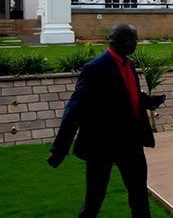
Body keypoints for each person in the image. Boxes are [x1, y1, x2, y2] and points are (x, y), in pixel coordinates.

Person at [47, 24, 166, 218]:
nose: (136, 44)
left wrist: (149, 101)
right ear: (124, 41)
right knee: (94, 198)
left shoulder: (128, 65)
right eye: (135, 40)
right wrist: (60, 148)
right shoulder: (95, 69)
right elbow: (75, 109)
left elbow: (129, 95)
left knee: (139, 194)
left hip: (131, 143)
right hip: (102, 145)